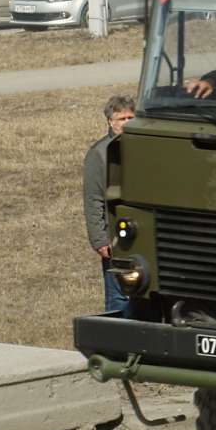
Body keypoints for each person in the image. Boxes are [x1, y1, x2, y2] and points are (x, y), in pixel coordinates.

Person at [84, 95, 136, 315]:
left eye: (130, 117)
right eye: (121, 118)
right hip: (115, 237)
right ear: (110, 121)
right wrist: (99, 238)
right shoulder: (100, 153)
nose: (126, 122)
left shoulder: (142, 146)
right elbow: (93, 198)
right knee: (119, 296)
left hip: (139, 232)